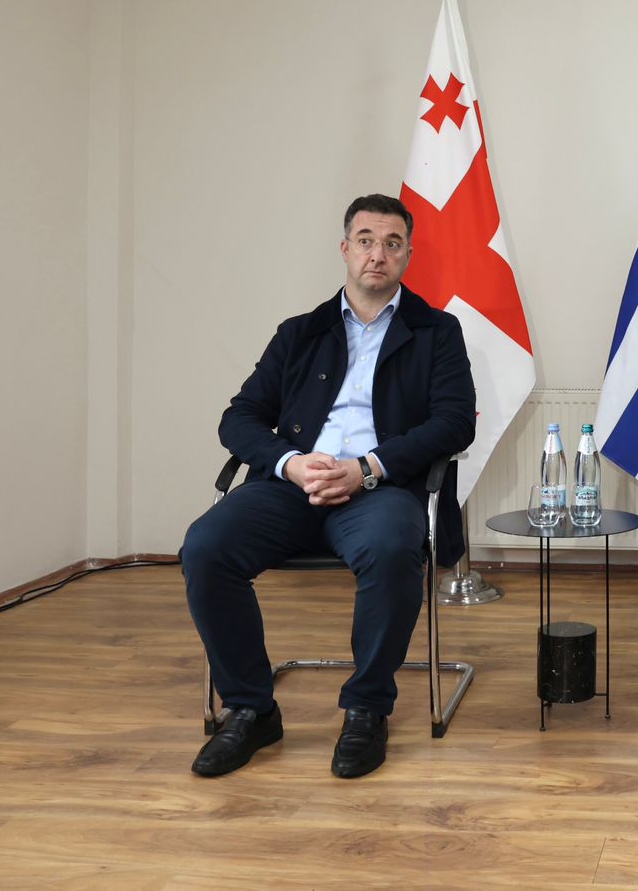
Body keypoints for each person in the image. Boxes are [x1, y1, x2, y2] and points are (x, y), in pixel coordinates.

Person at [181, 193, 475, 779]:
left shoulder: (437, 331)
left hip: (380, 488)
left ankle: (367, 708)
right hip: (292, 486)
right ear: (345, 249)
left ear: (408, 255)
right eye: (366, 241)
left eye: (392, 243)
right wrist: (290, 463)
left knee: (392, 548)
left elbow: (454, 421)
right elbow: (238, 418)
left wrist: (367, 467)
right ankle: (251, 708)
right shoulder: (300, 332)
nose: (377, 254)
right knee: (206, 546)